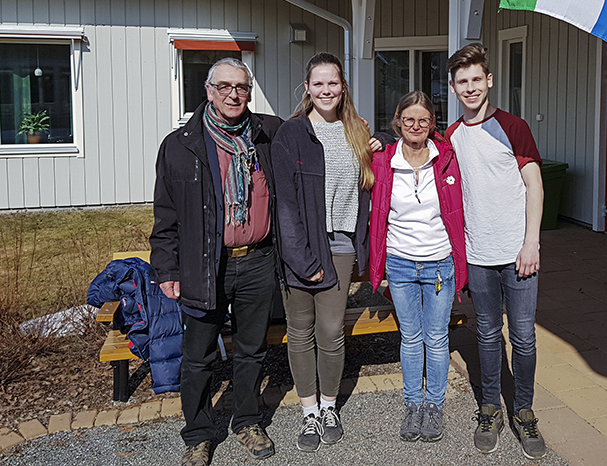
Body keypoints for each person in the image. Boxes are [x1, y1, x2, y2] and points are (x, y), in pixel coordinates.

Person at [150, 57, 283, 465]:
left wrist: (379, 137)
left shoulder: (269, 133)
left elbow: (325, 131)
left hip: (258, 261)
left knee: (251, 349)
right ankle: (199, 433)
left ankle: (246, 421)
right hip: (204, 264)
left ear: (249, 91)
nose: (233, 94)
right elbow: (166, 214)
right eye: (224, 86)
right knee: (198, 356)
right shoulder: (180, 145)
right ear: (208, 91)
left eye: (241, 87)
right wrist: (167, 268)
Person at [271, 52, 379, 453]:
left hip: (340, 244)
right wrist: (300, 259)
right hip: (300, 245)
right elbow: (285, 204)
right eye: (318, 83)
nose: (326, 90)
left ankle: (330, 406)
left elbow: (372, 173)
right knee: (300, 331)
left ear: (342, 86)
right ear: (307, 88)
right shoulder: (292, 133)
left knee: (331, 331)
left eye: (332, 83)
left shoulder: (356, 129)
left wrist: (378, 144)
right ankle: (309, 412)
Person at [445, 43, 546, 460]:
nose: (470, 88)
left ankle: (523, 410)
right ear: (453, 88)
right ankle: (490, 408)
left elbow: (534, 185)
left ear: (489, 80)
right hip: (478, 254)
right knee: (487, 333)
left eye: (475, 80)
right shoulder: (451, 135)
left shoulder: (514, 126)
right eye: (461, 82)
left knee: (522, 336)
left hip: (519, 253)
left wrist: (531, 242)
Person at [368, 91, 467, 443]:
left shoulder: (446, 159)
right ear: (397, 122)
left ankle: (434, 406)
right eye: (408, 119)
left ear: (432, 124)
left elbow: (458, 210)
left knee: (437, 338)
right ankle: (413, 404)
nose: (415, 126)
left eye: (423, 120)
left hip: (439, 262)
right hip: (400, 262)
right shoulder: (383, 160)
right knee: (411, 338)